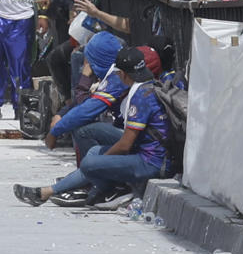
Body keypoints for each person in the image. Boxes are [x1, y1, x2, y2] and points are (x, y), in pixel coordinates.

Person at [14, 46, 170, 206]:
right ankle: (45, 193)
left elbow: (125, 145)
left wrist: (103, 164)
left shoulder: (140, 96)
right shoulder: (148, 85)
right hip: (147, 152)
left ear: (122, 74)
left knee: (90, 164)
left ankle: (112, 189)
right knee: (93, 154)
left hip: (151, 162)